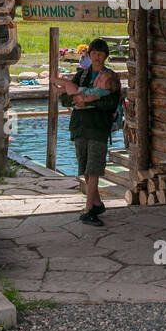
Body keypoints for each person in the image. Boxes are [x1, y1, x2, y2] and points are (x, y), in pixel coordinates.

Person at [51, 38, 121, 225]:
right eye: (94, 53)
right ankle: (97, 203)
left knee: (94, 168)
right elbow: (65, 99)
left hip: (98, 128)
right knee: (86, 169)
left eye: (101, 53)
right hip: (80, 126)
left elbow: (112, 103)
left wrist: (88, 102)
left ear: (106, 56)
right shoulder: (81, 76)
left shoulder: (111, 78)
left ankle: (89, 210)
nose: (97, 57)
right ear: (89, 55)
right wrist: (75, 101)